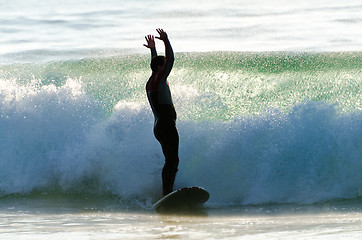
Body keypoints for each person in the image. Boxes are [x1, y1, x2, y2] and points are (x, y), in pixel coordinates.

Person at [143, 29, 179, 196]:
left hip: (158, 126)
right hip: (166, 124)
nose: (166, 67)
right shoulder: (160, 78)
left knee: (170, 160)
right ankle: (167, 193)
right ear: (160, 67)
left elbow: (154, 64)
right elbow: (171, 59)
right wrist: (166, 40)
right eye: (163, 65)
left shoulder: (151, 80)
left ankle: (167, 192)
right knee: (173, 160)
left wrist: (152, 49)